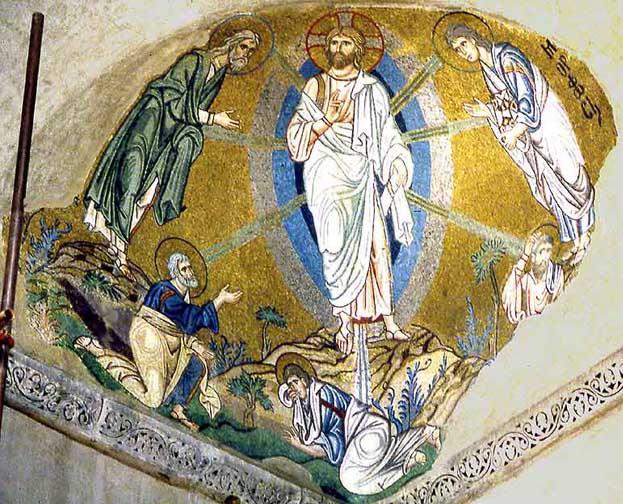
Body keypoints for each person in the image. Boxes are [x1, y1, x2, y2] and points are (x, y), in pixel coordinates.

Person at [83, 31, 260, 274]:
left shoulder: (218, 77)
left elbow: (190, 116)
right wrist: (213, 119)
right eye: (244, 47)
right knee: (130, 178)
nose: (246, 54)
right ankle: (116, 246)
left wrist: (190, 137)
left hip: (169, 138)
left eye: (251, 51)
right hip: (151, 122)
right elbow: (172, 97)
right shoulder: (194, 61)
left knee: (148, 194)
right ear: (231, 43)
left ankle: (117, 245)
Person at [286, 25, 414, 353]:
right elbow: (296, 140)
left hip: (361, 175)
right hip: (326, 177)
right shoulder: (316, 86)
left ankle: (387, 320)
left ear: (357, 50)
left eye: (345, 43)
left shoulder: (371, 89)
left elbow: (387, 134)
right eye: (333, 42)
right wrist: (325, 121)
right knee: (334, 244)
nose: (338, 48)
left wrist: (397, 163)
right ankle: (343, 319)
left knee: (375, 245)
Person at [446, 24, 595, 265]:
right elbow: (506, 103)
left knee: (568, 174)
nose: (462, 52)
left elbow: (527, 100)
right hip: (530, 134)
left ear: (474, 38)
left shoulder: (505, 57)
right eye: (457, 50)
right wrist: (488, 111)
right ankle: (577, 241)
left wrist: (516, 131)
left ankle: (585, 233)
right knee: (548, 184)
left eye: (463, 44)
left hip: (545, 122)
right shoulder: (487, 69)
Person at [75, 252, 243, 430]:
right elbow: (189, 320)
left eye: (189, 268)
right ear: (175, 272)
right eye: (184, 269)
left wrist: (195, 346)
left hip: (171, 345)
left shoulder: (183, 296)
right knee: (153, 400)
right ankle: (98, 351)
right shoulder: (165, 292)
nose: (189, 272)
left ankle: (178, 409)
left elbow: (178, 329)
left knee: (197, 365)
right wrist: (220, 300)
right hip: (149, 338)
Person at [276, 353, 440, 496]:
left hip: (369, 431)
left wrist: (300, 445)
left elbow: (328, 447)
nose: (293, 388)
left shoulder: (322, 396)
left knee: (349, 479)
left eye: (295, 382)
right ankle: (425, 434)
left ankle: (406, 462)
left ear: (304, 380)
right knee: (369, 469)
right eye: (290, 385)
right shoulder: (309, 406)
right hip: (366, 435)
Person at [501, 231, 564, 323]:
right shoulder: (527, 280)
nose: (545, 258)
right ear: (533, 257)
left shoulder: (556, 276)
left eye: (548, 251)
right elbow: (509, 294)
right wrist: (525, 256)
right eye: (541, 252)